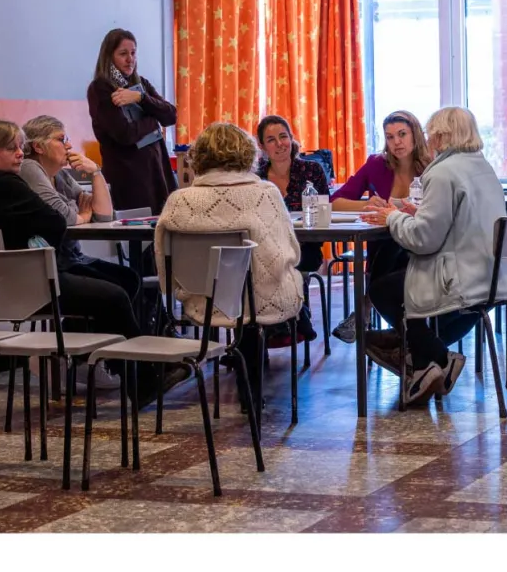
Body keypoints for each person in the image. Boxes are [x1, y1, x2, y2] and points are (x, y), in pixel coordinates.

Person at [0, 119, 180, 401]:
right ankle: (144, 379)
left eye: (19, 147)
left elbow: (61, 219)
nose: (19, 153)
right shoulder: (7, 184)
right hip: (30, 288)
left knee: (122, 280)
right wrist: (79, 214)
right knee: (114, 296)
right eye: (10, 148)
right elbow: (56, 222)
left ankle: (128, 366)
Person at [360, 107, 506, 404]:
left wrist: (391, 217)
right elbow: (457, 219)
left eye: (430, 134)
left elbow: (422, 240)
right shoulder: (482, 167)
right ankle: (423, 356)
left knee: (383, 289)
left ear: (441, 136)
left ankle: (435, 356)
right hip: (491, 274)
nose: (429, 140)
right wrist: (417, 213)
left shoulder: (441, 171)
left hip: (459, 278)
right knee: (404, 282)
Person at [155, 122, 304, 411]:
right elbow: (288, 254)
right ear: (248, 152)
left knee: (241, 296)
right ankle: (252, 391)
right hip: (262, 299)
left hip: (204, 301)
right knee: (256, 295)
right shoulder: (265, 193)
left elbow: (165, 267)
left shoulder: (178, 201)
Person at [20, 115, 159, 386]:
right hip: (50, 266)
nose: (69, 146)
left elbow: (104, 216)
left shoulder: (58, 175)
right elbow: (68, 217)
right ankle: (137, 374)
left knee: (128, 278)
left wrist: (96, 173)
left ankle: (96, 359)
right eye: (61, 139)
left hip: (71, 258)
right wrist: (81, 213)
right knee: (114, 293)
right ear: (38, 146)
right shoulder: (30, 168)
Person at [327, 110, 433, 343]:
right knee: (389, 241)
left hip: (424, 245)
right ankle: (405, 332)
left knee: (394, 243)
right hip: (386, 247)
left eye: (402, 134)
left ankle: (366, 308)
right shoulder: (377, 165)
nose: (396, 142)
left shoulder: (433, 165)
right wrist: (365, 204)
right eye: (390, 136)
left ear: (415, 135)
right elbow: (335, 202)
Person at [87, 28, 177, 215]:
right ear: (109, 56)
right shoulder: (100, 88)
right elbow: (124, 134)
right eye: (123, 54)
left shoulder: (140, 84)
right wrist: (153, 122)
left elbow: (170, 116)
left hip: (156, 171)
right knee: (136, 239)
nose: (130, 59)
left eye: (133, 53)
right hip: (128, 177)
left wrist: (141, 98)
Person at [254, 115, 325, 347]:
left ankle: (288, 321)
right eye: (271, 140)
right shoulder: (256, 177)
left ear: (292, 139)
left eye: (283, 136)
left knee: (278, 264)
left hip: (305, 248)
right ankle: (296, 319)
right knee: (260, 265)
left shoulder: (312, 170)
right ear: (262, 146)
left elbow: (324, 212)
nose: (279, 144)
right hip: (267, 249)